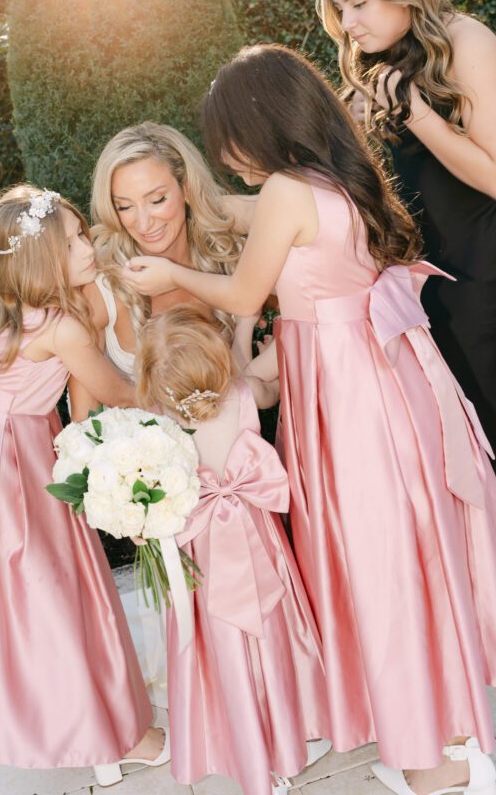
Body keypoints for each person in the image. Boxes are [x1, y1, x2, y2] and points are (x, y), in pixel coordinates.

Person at [122, 45, 496, 795]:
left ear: (262, 124)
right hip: (377, 375)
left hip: (347, 394)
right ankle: (442, 729)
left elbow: (247, 294)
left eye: (228, 139)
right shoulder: (337, 177)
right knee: (409, 553)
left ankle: (432, 769)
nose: (227, 157)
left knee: (375, 565)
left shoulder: (286, 188)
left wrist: (172, 275)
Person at [316, 0, 496, 574]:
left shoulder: (465, 42)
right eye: (340, 7)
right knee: (470, 432)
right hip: (422, 283)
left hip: (493, 269)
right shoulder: (373, 72)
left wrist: (415, 113)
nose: (347, 21)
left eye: (358, 1)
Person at [0, 184, 168, 782]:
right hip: (18, 466)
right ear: (44, 262)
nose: (87, 245)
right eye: (74, 242)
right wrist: (177, 389)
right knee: (55, 593)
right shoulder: (60, 327)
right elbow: (117, 391)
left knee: (27, 595)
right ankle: (110, 736)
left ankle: (90, 728)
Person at [135, 305, 330, 795]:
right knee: (270, 630)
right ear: (218, 356)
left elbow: (145, 491)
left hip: (202, 548)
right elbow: (279, 382)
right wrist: (249, 331)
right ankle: (286, 736)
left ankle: (244, 747)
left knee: (221, 641)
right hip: (255, 534)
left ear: (155, 382)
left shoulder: (154, 425)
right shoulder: (245, 393)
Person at [68, 121, 244, 416]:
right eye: (125, 206)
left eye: (157, 200)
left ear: (186, 189)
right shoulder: (101, 283)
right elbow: (84, 419)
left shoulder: (231, 260)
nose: (144, 223)